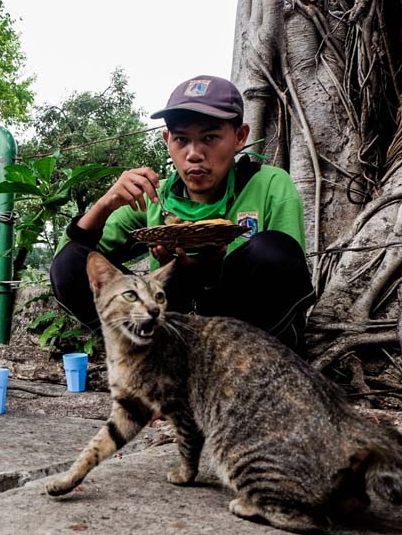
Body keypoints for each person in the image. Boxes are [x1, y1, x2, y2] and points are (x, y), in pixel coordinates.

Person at [50, 76, 315, 355]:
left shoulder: (268, 185)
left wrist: (210, 273)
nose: (194, 154)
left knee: (272, 251)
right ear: (167, 140)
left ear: (240, 137)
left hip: (243, 331)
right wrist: (105, 204)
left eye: (210, 138)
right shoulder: (154, 196)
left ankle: (252, 364)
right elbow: (69, 260)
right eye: (181, 139)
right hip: (168, 325)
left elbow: (287, 274)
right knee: (71, 264)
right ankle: (149, 358)